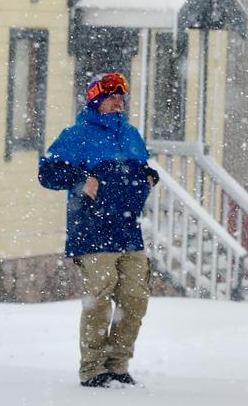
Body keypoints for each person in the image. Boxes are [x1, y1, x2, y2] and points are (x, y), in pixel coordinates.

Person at [38, 72, 160, 388]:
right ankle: (93, 369)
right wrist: (80, 181)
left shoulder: (131, 134)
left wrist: (148, 177)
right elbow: (47, 172)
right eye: (112, 96)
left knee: (135, 299)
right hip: (92, 232)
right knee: (99, 301)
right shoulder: (77, 136)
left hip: (128, 232)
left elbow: (140, 168)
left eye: (122, 95)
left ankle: (118, 365)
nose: (119, 101)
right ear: (96, 100)